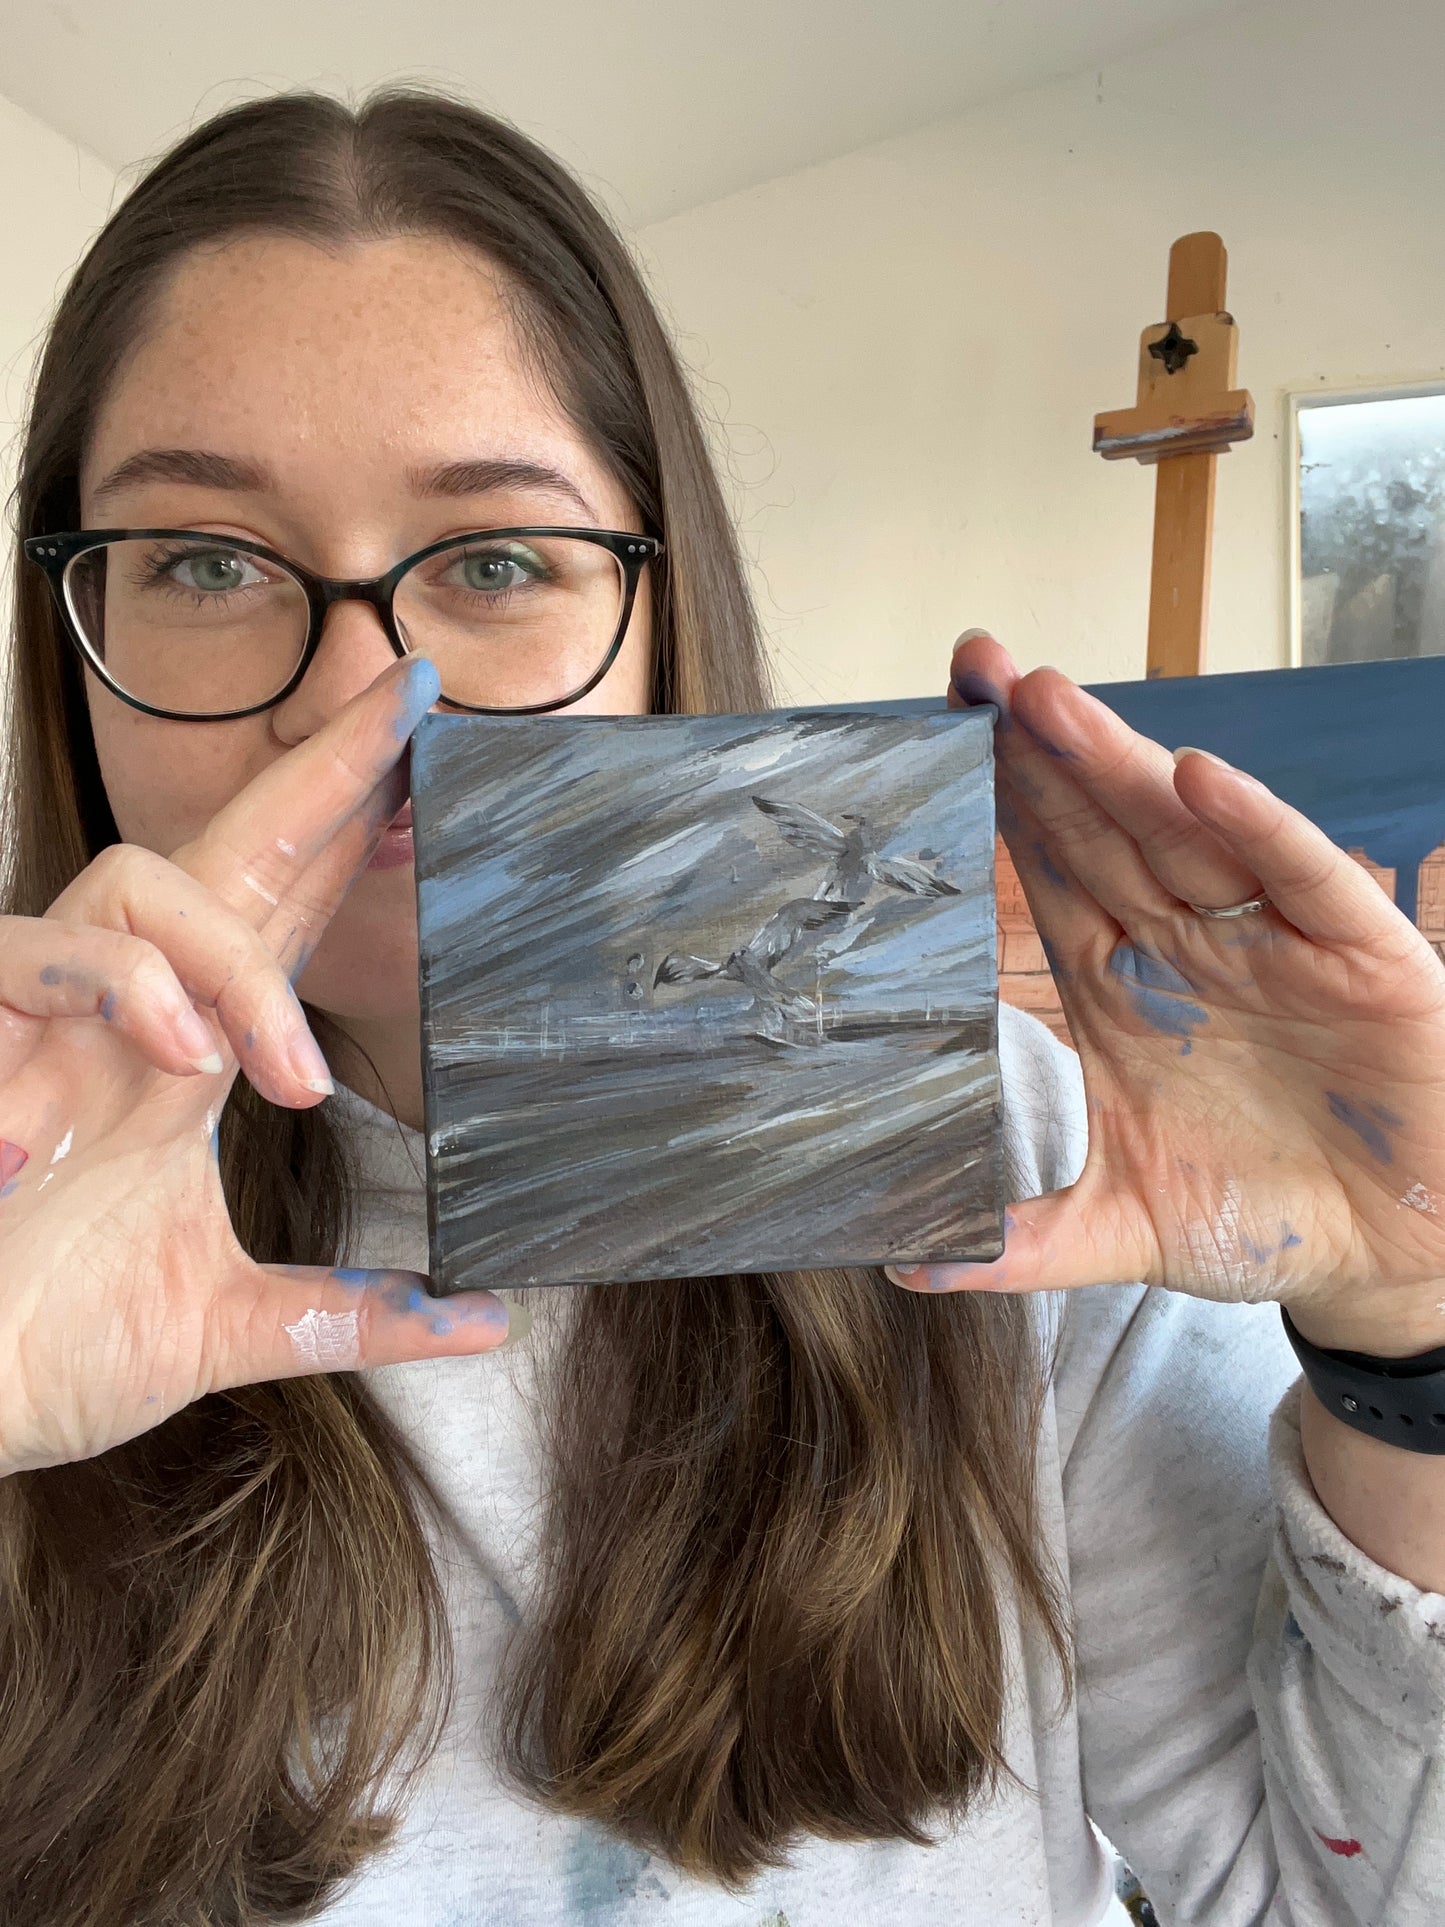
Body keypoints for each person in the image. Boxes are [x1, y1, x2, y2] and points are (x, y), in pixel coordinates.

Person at [0, 86, 1441, 1927]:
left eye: (496, 561)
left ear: (664, 614)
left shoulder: (1018, 1157)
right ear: (77, 631)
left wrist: (1409, 1339)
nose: (357, 698)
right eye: (204, 559)